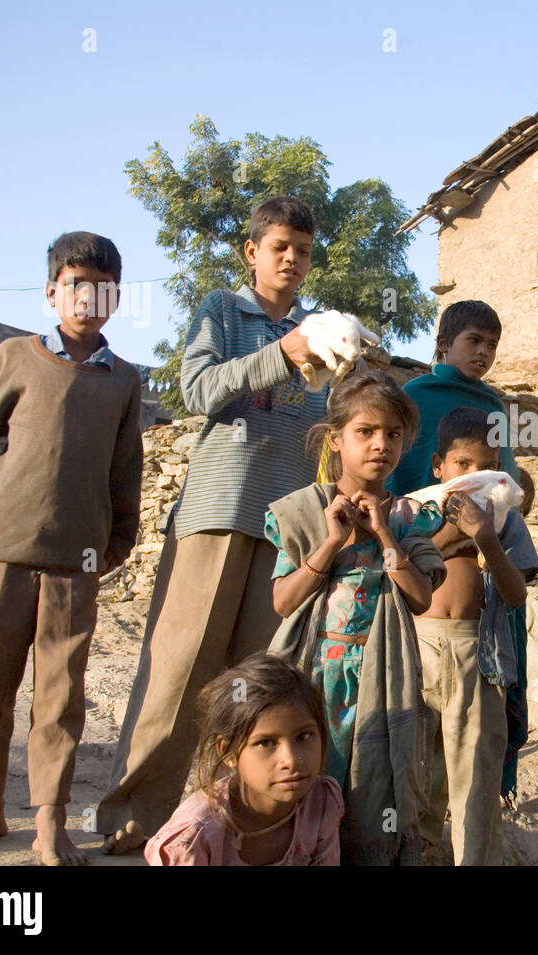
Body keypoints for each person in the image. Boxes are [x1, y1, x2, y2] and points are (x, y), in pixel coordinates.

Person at [97, 196, 330, 854]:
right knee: (178, 670)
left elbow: (325, 428)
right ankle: (130, 812)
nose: (291, 258)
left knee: (253, 683)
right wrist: (284, 351)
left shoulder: (321, 330)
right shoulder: (222, 311)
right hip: (218, 511)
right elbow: (196, 390)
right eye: (279, 245)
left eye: (303, 250)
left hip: (284, 527)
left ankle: (229, 818)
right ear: (251, 252)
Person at [0, 231, 142, 865]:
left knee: (61, 690)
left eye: (103, 288)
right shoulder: (12, 358)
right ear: (53, 291)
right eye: (76, 285)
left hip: (77, 557)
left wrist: (117, 540)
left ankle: (49, 819)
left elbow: (125, 469)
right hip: (4, 545)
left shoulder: (123, 379)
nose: (88, 298)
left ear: (116, 299)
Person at [265, 369, 444, 864]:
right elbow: (283, 602)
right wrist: (330, 543)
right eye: (365, 432)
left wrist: (385, 535)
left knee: (370, 787)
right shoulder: (304, 511)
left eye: (392, 434)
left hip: (380, 677)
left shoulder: (412, 517)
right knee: (304, 779)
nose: (379, 444)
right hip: (313, 674)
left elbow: (420, 598)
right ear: (335, 439)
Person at [415, 407, 538, 865]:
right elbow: (400, 571)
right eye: (462, 465)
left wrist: (486, 539)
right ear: (438, 467)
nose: (474, 475)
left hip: (479, 655)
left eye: (487, 466)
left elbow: (515, 593)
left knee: (476, 781)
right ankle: (421, 852)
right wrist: (451, 535)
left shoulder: (505, 518)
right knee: (416, 774)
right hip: (418, 650)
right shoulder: (418, 509)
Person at [144, 655, 344, 866]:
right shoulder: (194, 838)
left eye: (304, 737)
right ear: (229, 752)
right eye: (266, 743)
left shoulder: (321, 803)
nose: (291, 760)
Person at [386, 300, 519, 496]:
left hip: (479, 516)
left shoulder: (492, 405)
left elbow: (505, 472)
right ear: (444, 343)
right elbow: (397, 463)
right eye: (474, 340)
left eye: (492, 345)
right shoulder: (416, 394)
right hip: (412, 513)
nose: (484, 351)